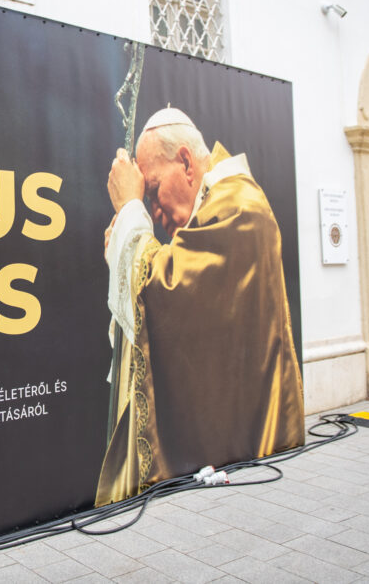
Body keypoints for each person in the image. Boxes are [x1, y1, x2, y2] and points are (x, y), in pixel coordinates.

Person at [97, 107, 304, 506]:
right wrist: (125, 240)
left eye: (153, 192)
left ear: (186, 163)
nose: (154, 212)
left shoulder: (239, 208)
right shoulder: (221, 204)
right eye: (147, 201)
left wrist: (129, 215)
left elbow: (165, 290)